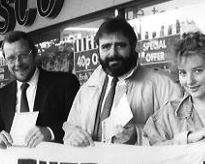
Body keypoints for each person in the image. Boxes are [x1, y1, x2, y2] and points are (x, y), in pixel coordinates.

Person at [63, 17, 182, 146]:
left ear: (133, 47)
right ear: (98, 50)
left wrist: (138, 136)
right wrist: (73, 136)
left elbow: (179, 137)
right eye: (106, 47)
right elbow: (69, 130)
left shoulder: (163, 85)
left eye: (120, 45)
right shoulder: (87, 89)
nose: (113, 53)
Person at [0, 31, 80, 148]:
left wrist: (50, 132)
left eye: (23, 55)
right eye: (11, 58)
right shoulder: (2, 95)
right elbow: (3, 132)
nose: (18, 63)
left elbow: (78, 125)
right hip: (16, 163)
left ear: (35, 53)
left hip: (54, 162)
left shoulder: (64, 83)